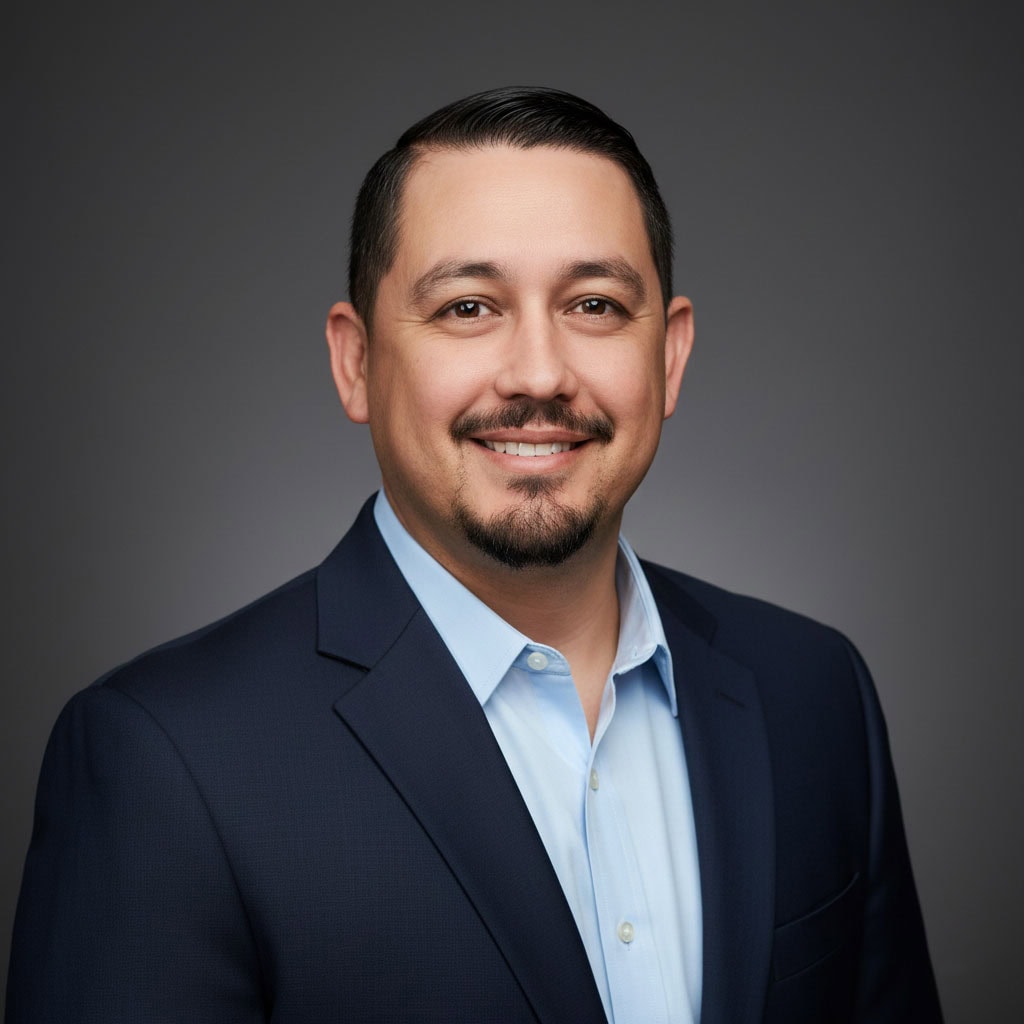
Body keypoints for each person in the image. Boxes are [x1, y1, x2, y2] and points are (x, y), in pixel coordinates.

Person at [6, 87, 942, 1023]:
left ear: (669, 356)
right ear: (356, 362)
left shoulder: (814, 693)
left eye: (594, 304)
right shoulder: (163, 760)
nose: (539, 374)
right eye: (467, 307)